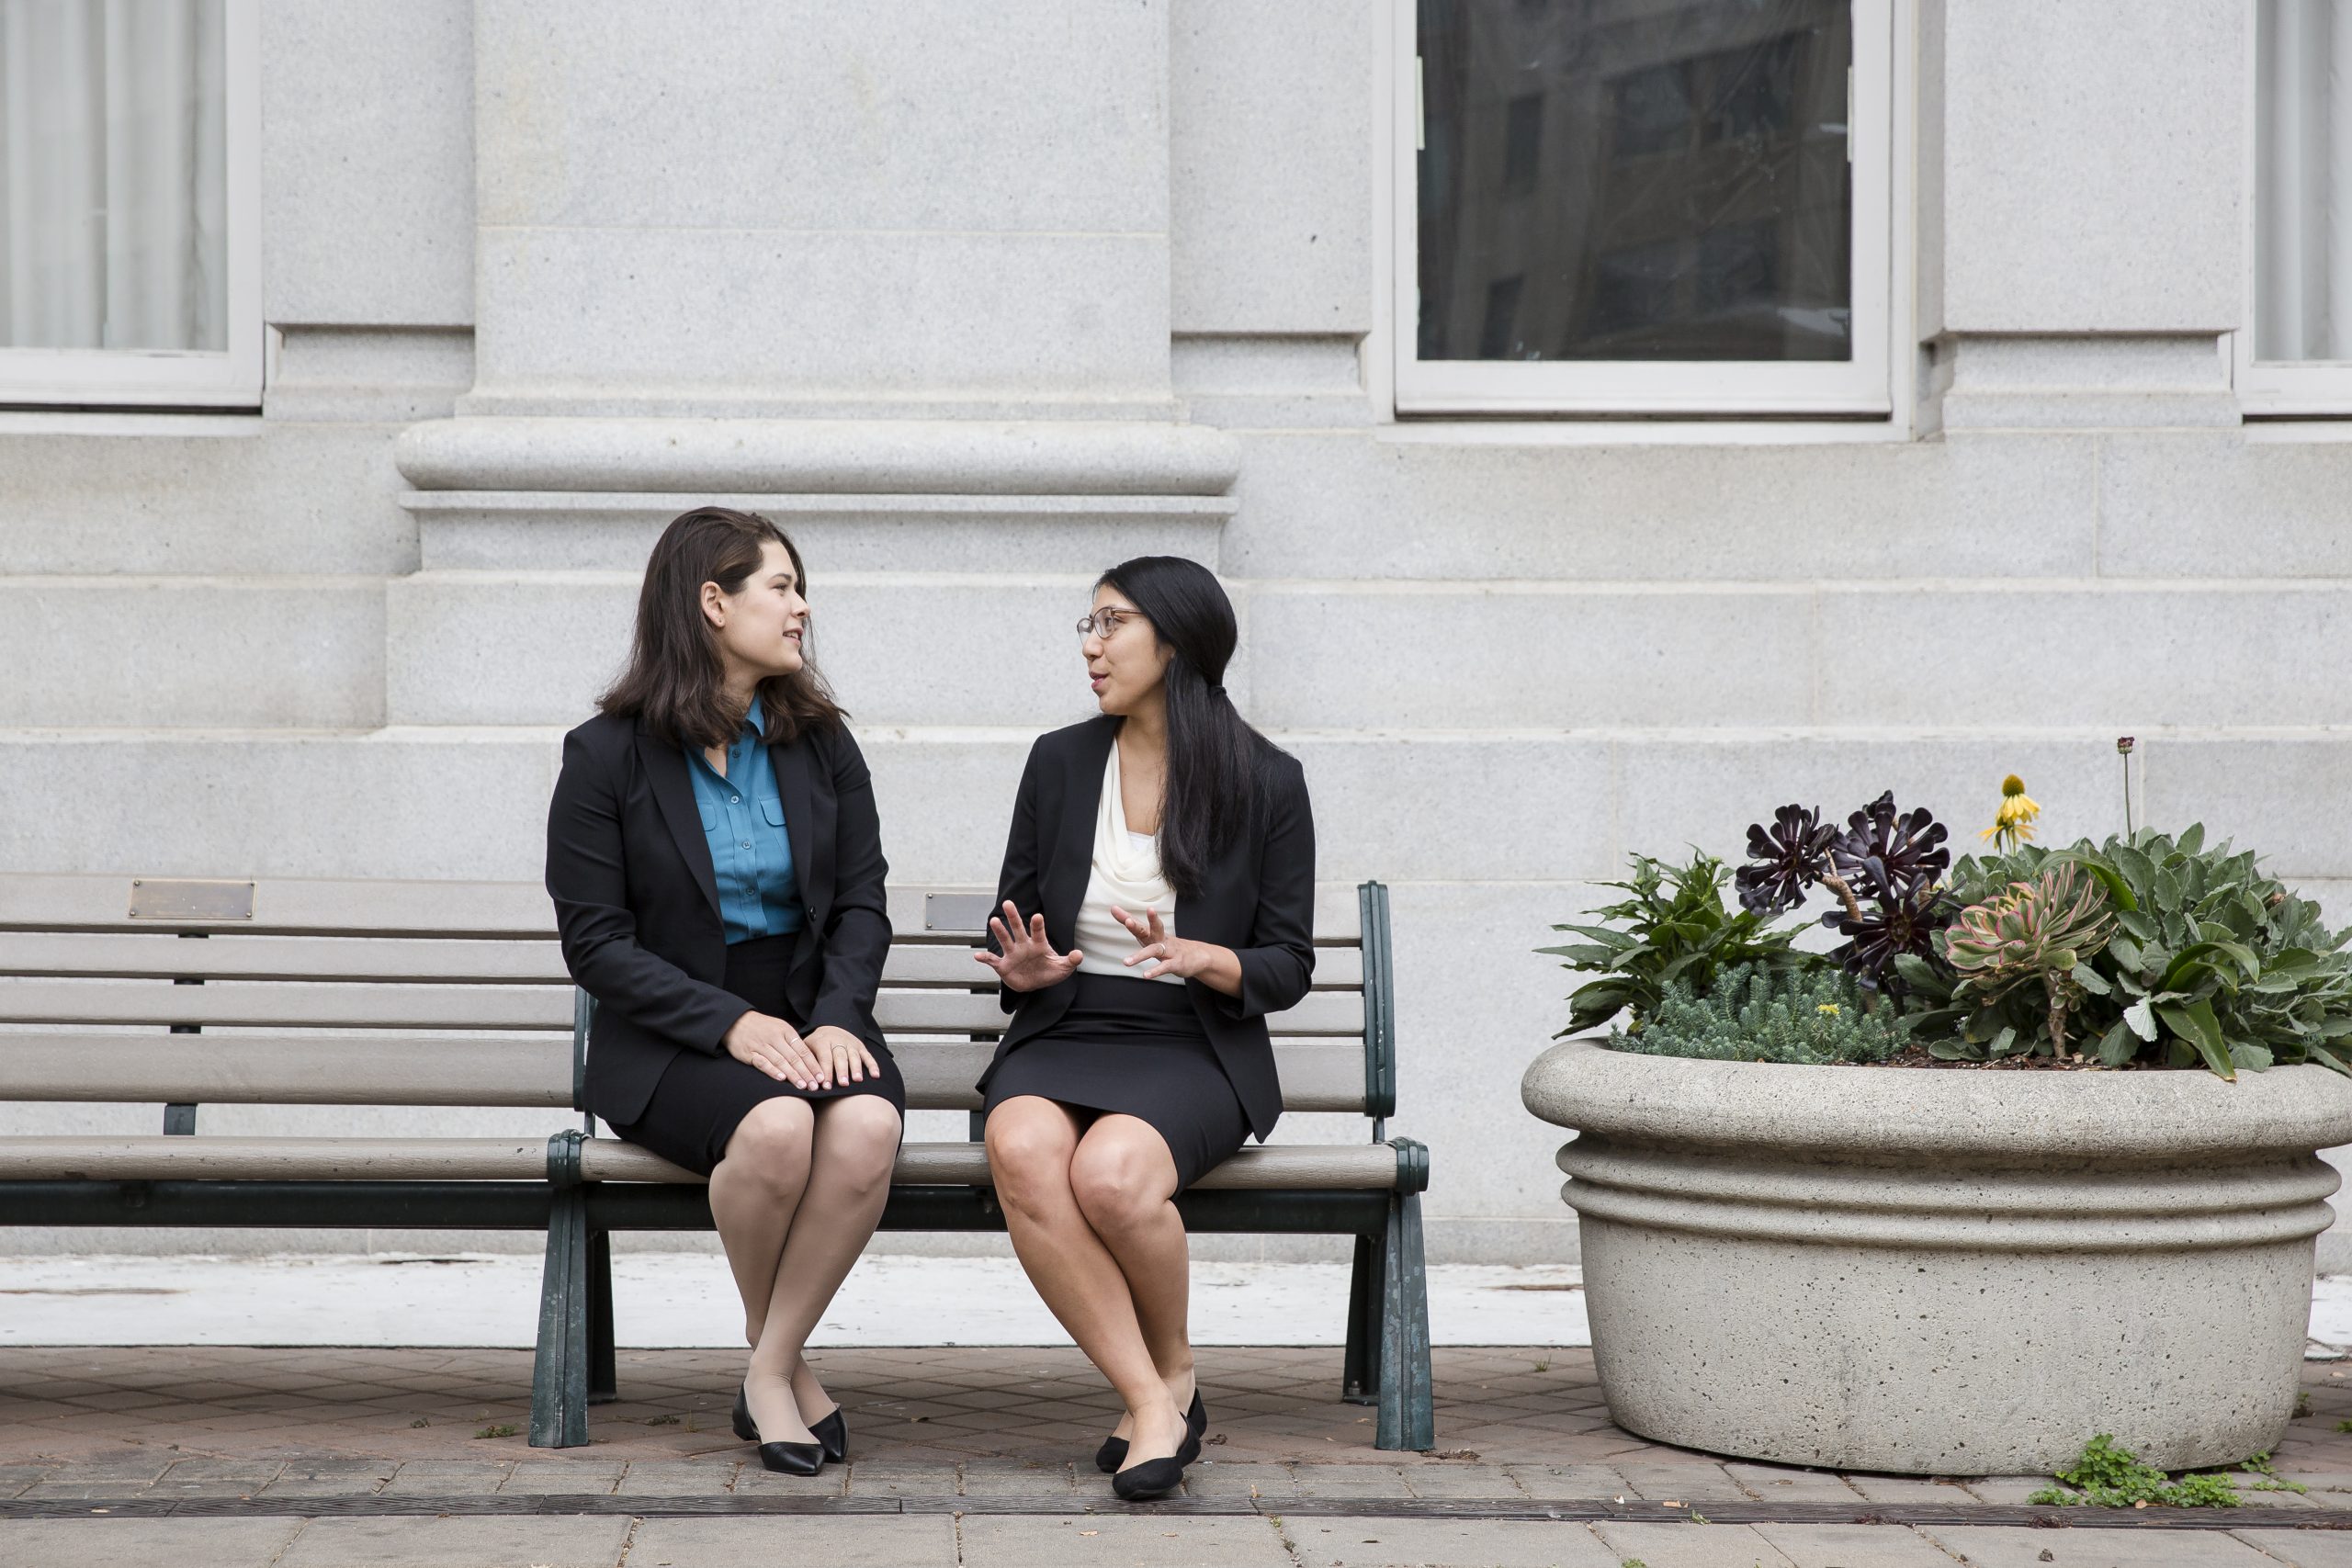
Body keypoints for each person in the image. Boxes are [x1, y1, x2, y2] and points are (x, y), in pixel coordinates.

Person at [545, 506, 901, 1476]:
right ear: (713, 602)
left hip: (810, 1008)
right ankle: (778, 1366)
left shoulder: (819, 741)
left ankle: (766, 1368)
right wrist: (730, 1023)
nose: (800, 608)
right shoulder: (604, 756)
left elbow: (864, 904)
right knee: (779, 1128)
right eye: (780, 587)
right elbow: (598, 943)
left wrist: (834, 1017)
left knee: (866, 1127)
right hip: (670, 1030)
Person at [976, 555, 1317, 1501]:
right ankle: (1157, 1398)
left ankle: (1169, 1377)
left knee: (1114, 1175)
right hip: (1066, 1025)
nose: (1091, 646)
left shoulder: (1267, 781)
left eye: (1111, 624)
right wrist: (1026, 965)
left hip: (1192, 1044)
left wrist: (1206, 957)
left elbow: (1288, 963)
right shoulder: (1059, 761)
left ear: (1174, 640)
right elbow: (1013, 917)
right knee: (1021, 1145)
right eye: (1086, 625)